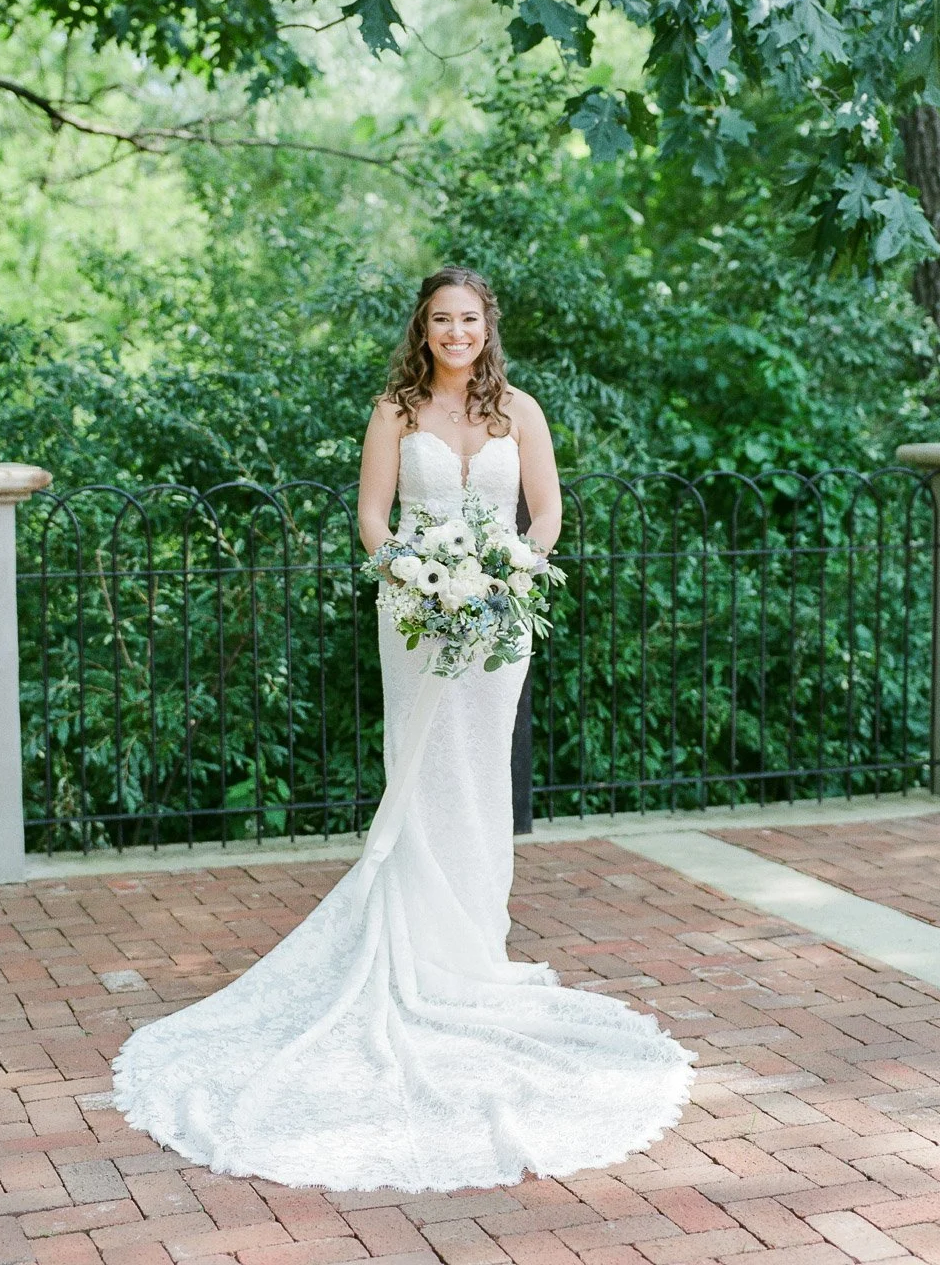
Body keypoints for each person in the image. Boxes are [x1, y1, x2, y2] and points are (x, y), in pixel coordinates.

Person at [112, 265, 694, 1193]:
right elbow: (371, 519)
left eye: (468, 319)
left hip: (501, 618)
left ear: (487, 326)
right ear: (422, 331)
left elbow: (545, 515)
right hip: (416, 616)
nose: (455, 333)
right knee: (422, 770)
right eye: (440, 321)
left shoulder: (522, 411)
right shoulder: (394, 409)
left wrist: (505, 570)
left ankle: (474, 946)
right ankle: (417, 948)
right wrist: (418, 577)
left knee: (479, 772)